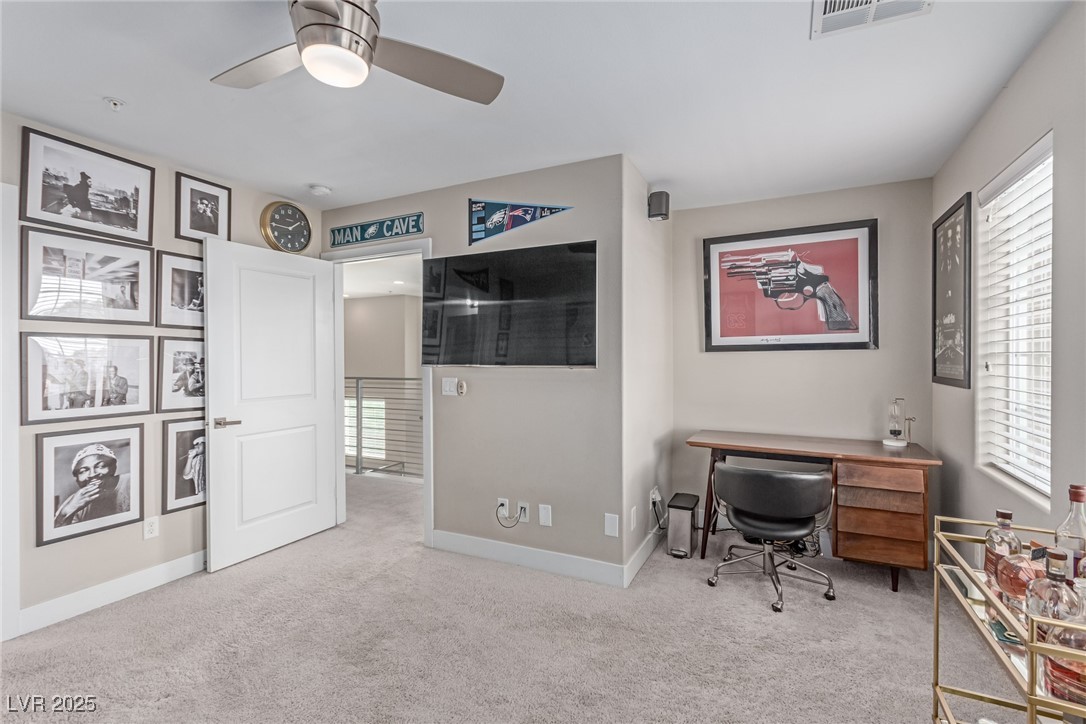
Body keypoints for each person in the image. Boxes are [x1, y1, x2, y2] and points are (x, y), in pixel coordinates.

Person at [53, 443, 131, 527]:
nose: (92, 474)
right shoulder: (75, 501)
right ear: (77, 479)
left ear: (113, 468)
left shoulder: (131, 481)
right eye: (83, 471)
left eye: (100, 466)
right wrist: (67, 511)